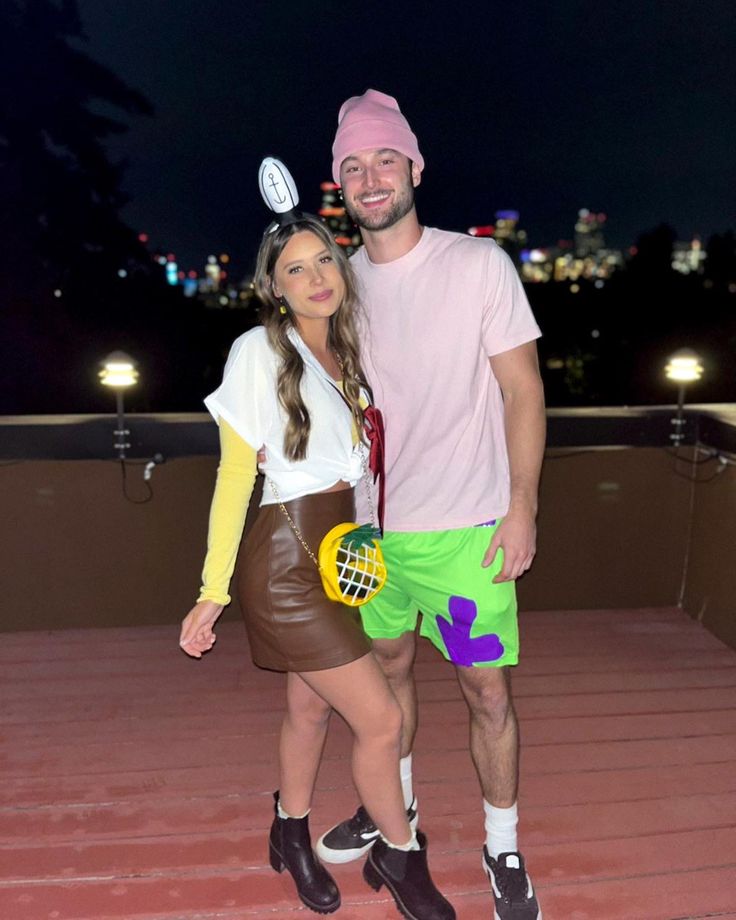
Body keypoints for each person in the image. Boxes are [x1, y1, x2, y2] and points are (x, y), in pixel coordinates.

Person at [179, 163, 455, 920]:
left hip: (344, 554)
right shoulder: (257, 355)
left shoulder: (349, 354)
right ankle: (402, 860)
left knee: (309, 709)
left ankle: (289, 833)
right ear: (275, 288)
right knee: (382, 718)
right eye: (294, 270)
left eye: (324, 260)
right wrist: (212, 590)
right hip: (286, 562)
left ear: (341, 265)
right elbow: (236, 478)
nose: (315, 278)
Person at [315, 91, 546, 920]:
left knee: (486, 691)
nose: (370, 178)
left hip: (467, 535)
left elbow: (522, 391)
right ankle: (396, 816)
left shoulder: (477, 265)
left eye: (384, 160)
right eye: (352, 167)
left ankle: (503, 842)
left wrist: (521, 508)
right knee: (387, 677)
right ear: (337, 186)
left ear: (415, 167)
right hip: (374, 535)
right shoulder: (335, 286)